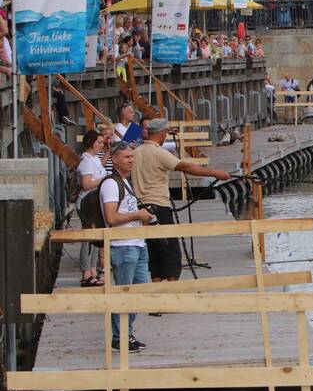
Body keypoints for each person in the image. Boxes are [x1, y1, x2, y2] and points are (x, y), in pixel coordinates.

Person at [132, 119, 231, 284]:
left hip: (141, 209)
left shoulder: (136, 152)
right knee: (172, 254)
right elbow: (186, 167)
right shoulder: (159, 153)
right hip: (159, 208)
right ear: (162, 133)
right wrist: (215, 173)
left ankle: (156, 296)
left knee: (155, 253)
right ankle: (172, 296)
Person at [100, 141, 154, 352]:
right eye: (127, 157)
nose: (131, 160)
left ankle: (126, 332)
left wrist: (143, 217)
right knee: (123, 294)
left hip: (137, 244)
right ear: (115, 160)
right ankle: (119, 337)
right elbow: (111, 217)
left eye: (132, 157)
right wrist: (137, 215)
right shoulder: (111, 184)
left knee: (141, 292)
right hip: (123, 246)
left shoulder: (125, 182)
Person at [76, 130, 109, 286]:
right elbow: (86, 184)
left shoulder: (94, 158)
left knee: (96, 238)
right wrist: (105, 179)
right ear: (91, 143)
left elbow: (99, 165)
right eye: (99, 143)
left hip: (95, 203)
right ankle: (86, 273)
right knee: (88, 239)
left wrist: (108, 153)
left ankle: (93, 271)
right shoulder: (86, 161)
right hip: (87, 204)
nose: (101, 146)